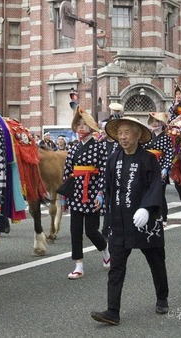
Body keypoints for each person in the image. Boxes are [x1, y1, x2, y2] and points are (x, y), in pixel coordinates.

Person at [91, 117, 169, 326]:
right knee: (116, 266)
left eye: (127, 132)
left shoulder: (148, 159)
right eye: (120, 133)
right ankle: (112, 311)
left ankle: (162, 297)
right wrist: (100, 196)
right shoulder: (113, 158)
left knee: (156, 260)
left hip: (145, 220)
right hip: (119, 221)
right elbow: (106, 184)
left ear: (137, 135)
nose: (123, 137)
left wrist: (146, 207)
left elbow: (155, 186)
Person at [63, 106, 110, 280]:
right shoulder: (74, 148)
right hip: (76, 191)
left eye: (85, 124)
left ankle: (105, 249)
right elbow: (67, 171)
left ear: (91, 127)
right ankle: (78, 265)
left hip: (92, 191)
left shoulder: (99, 147)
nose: (81, 127)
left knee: (91, 231)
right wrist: (64, 197)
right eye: (79, 124)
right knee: (75, 230)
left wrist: (100, 193)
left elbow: (104, 172)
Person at [143, 112, 174, 226]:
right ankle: (151, 215)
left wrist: (166, 168)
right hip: (148, 166)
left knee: (160, 194)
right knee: (148, 192)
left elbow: (169, 154)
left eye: (157, 121)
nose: (154, 123)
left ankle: (163, 216)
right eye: (153, 121)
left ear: (162, 123)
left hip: (160, 167)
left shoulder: (166, 138)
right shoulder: (148, 136)